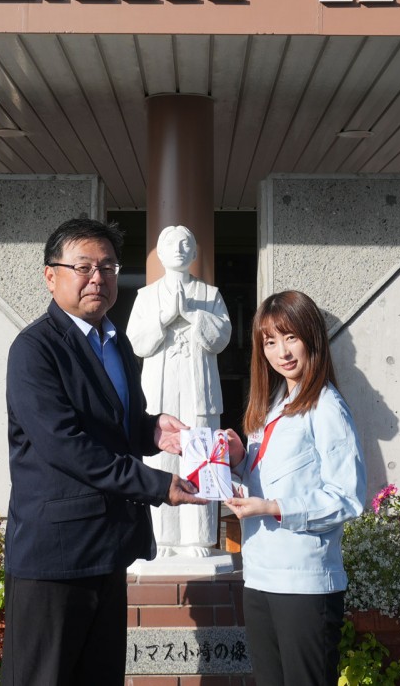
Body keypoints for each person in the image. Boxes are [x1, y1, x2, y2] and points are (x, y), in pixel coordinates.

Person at [2, 217, 207, 686]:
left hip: (107, 549)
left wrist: (151, 430)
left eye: (109, 267)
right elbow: (66, 446)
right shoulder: (34, 350)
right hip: (53, 558)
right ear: (51, 275)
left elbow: (112, 426)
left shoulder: (115, 342)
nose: (98, 277)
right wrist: (158, 485)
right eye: (84, 267)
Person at [224, 290, 366, 686]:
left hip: (304, 581)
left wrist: (272, 507)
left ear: (312, 338)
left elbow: (347, 498)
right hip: (260, 574)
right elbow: (272, 478)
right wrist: (239, 460)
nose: (281, 352)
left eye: (291, 337)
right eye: (270, 341)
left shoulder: (327, 406)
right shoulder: (273, 404)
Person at [126, 224, 232, 556]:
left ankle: (198, 536)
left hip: (199, 386)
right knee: (162, 456)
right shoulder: (146, 296)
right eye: (172, 243)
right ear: (159, 252)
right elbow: (136, 342)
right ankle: (164, 537)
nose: (179, 248)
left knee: (201, 453)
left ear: (195, 252)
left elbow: (222, 338)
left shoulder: (210, 295)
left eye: (186, 243)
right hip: (160, 388)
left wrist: (192, 315)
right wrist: (164, 317)